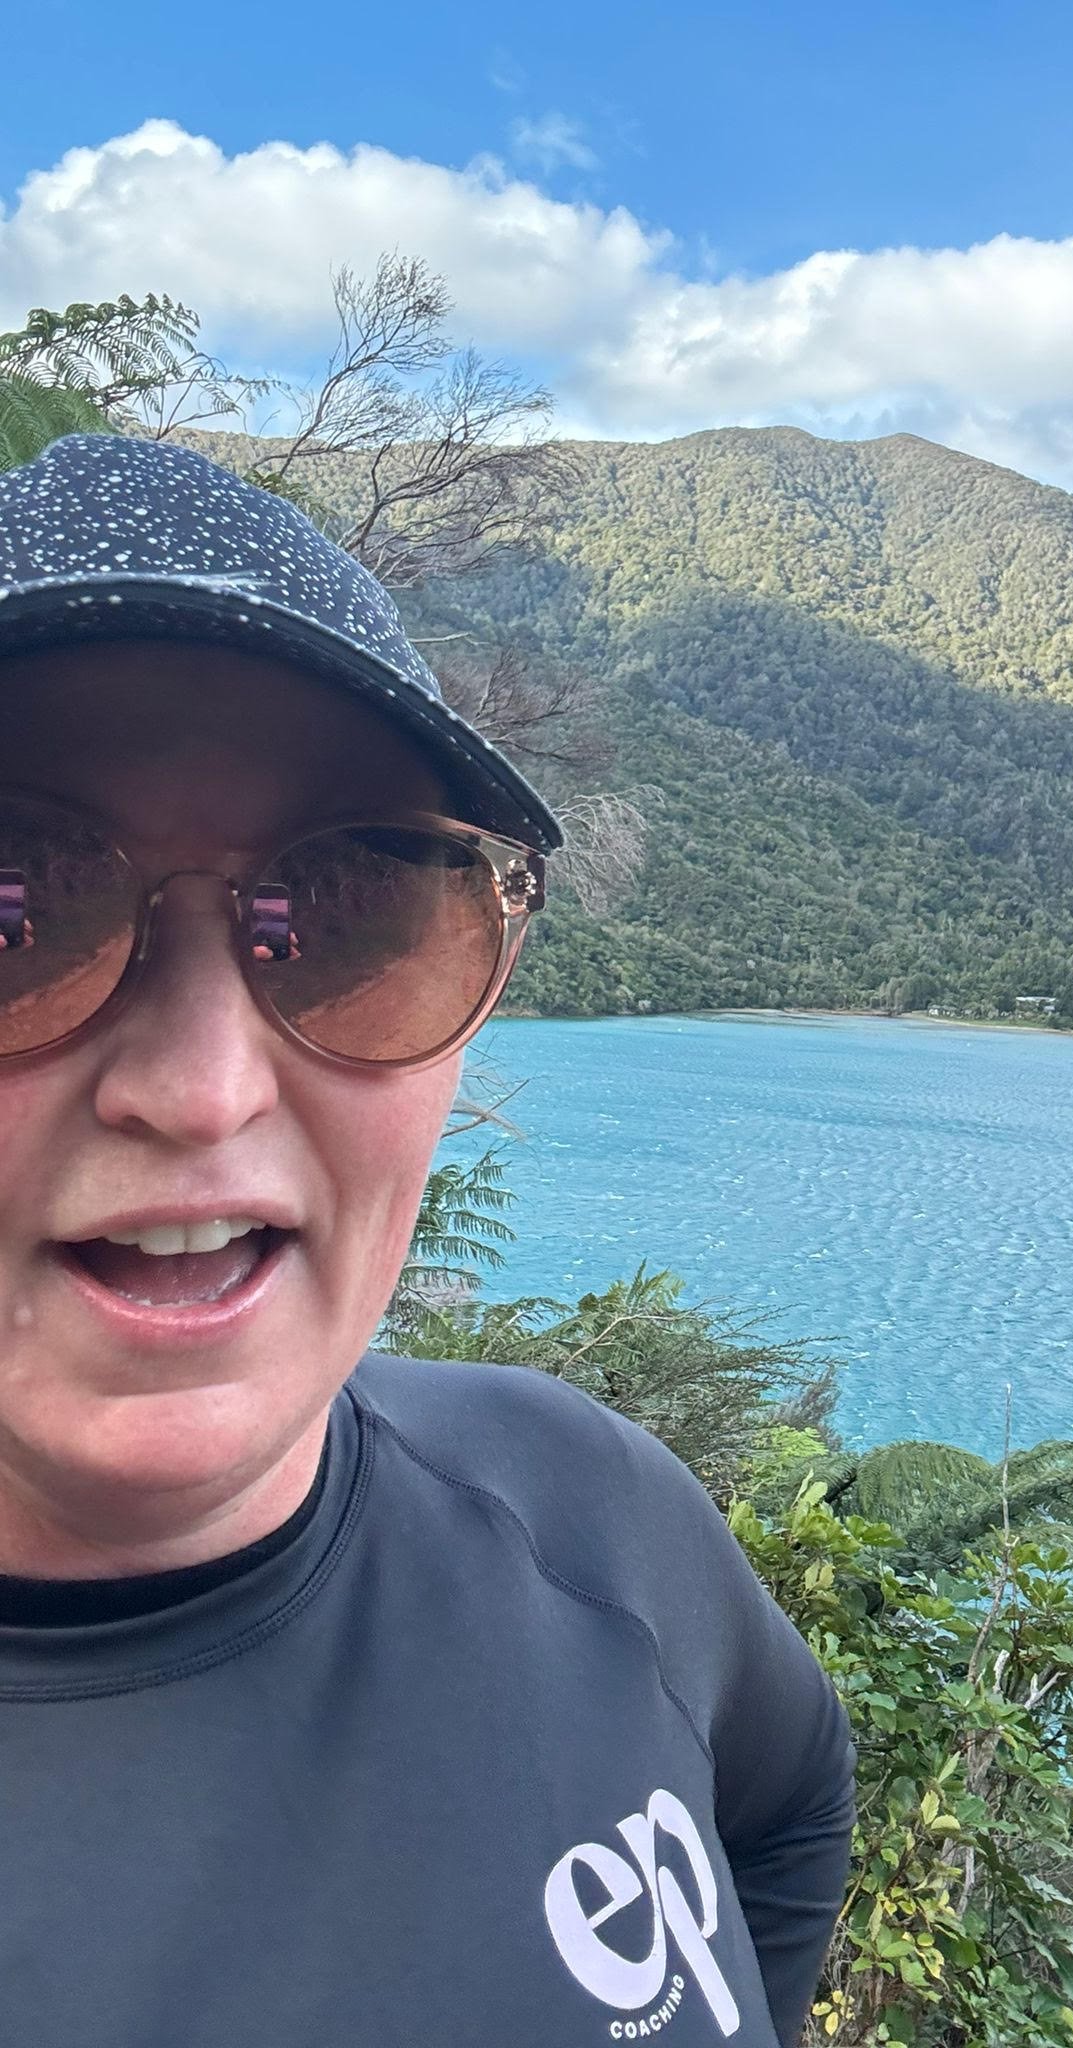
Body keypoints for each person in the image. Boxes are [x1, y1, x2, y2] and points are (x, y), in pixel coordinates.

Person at [0, 434, 856, 2048]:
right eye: (13, 915)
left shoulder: (585, 1514)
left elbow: (795, 1799)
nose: (203, 1089)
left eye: (358, 913)